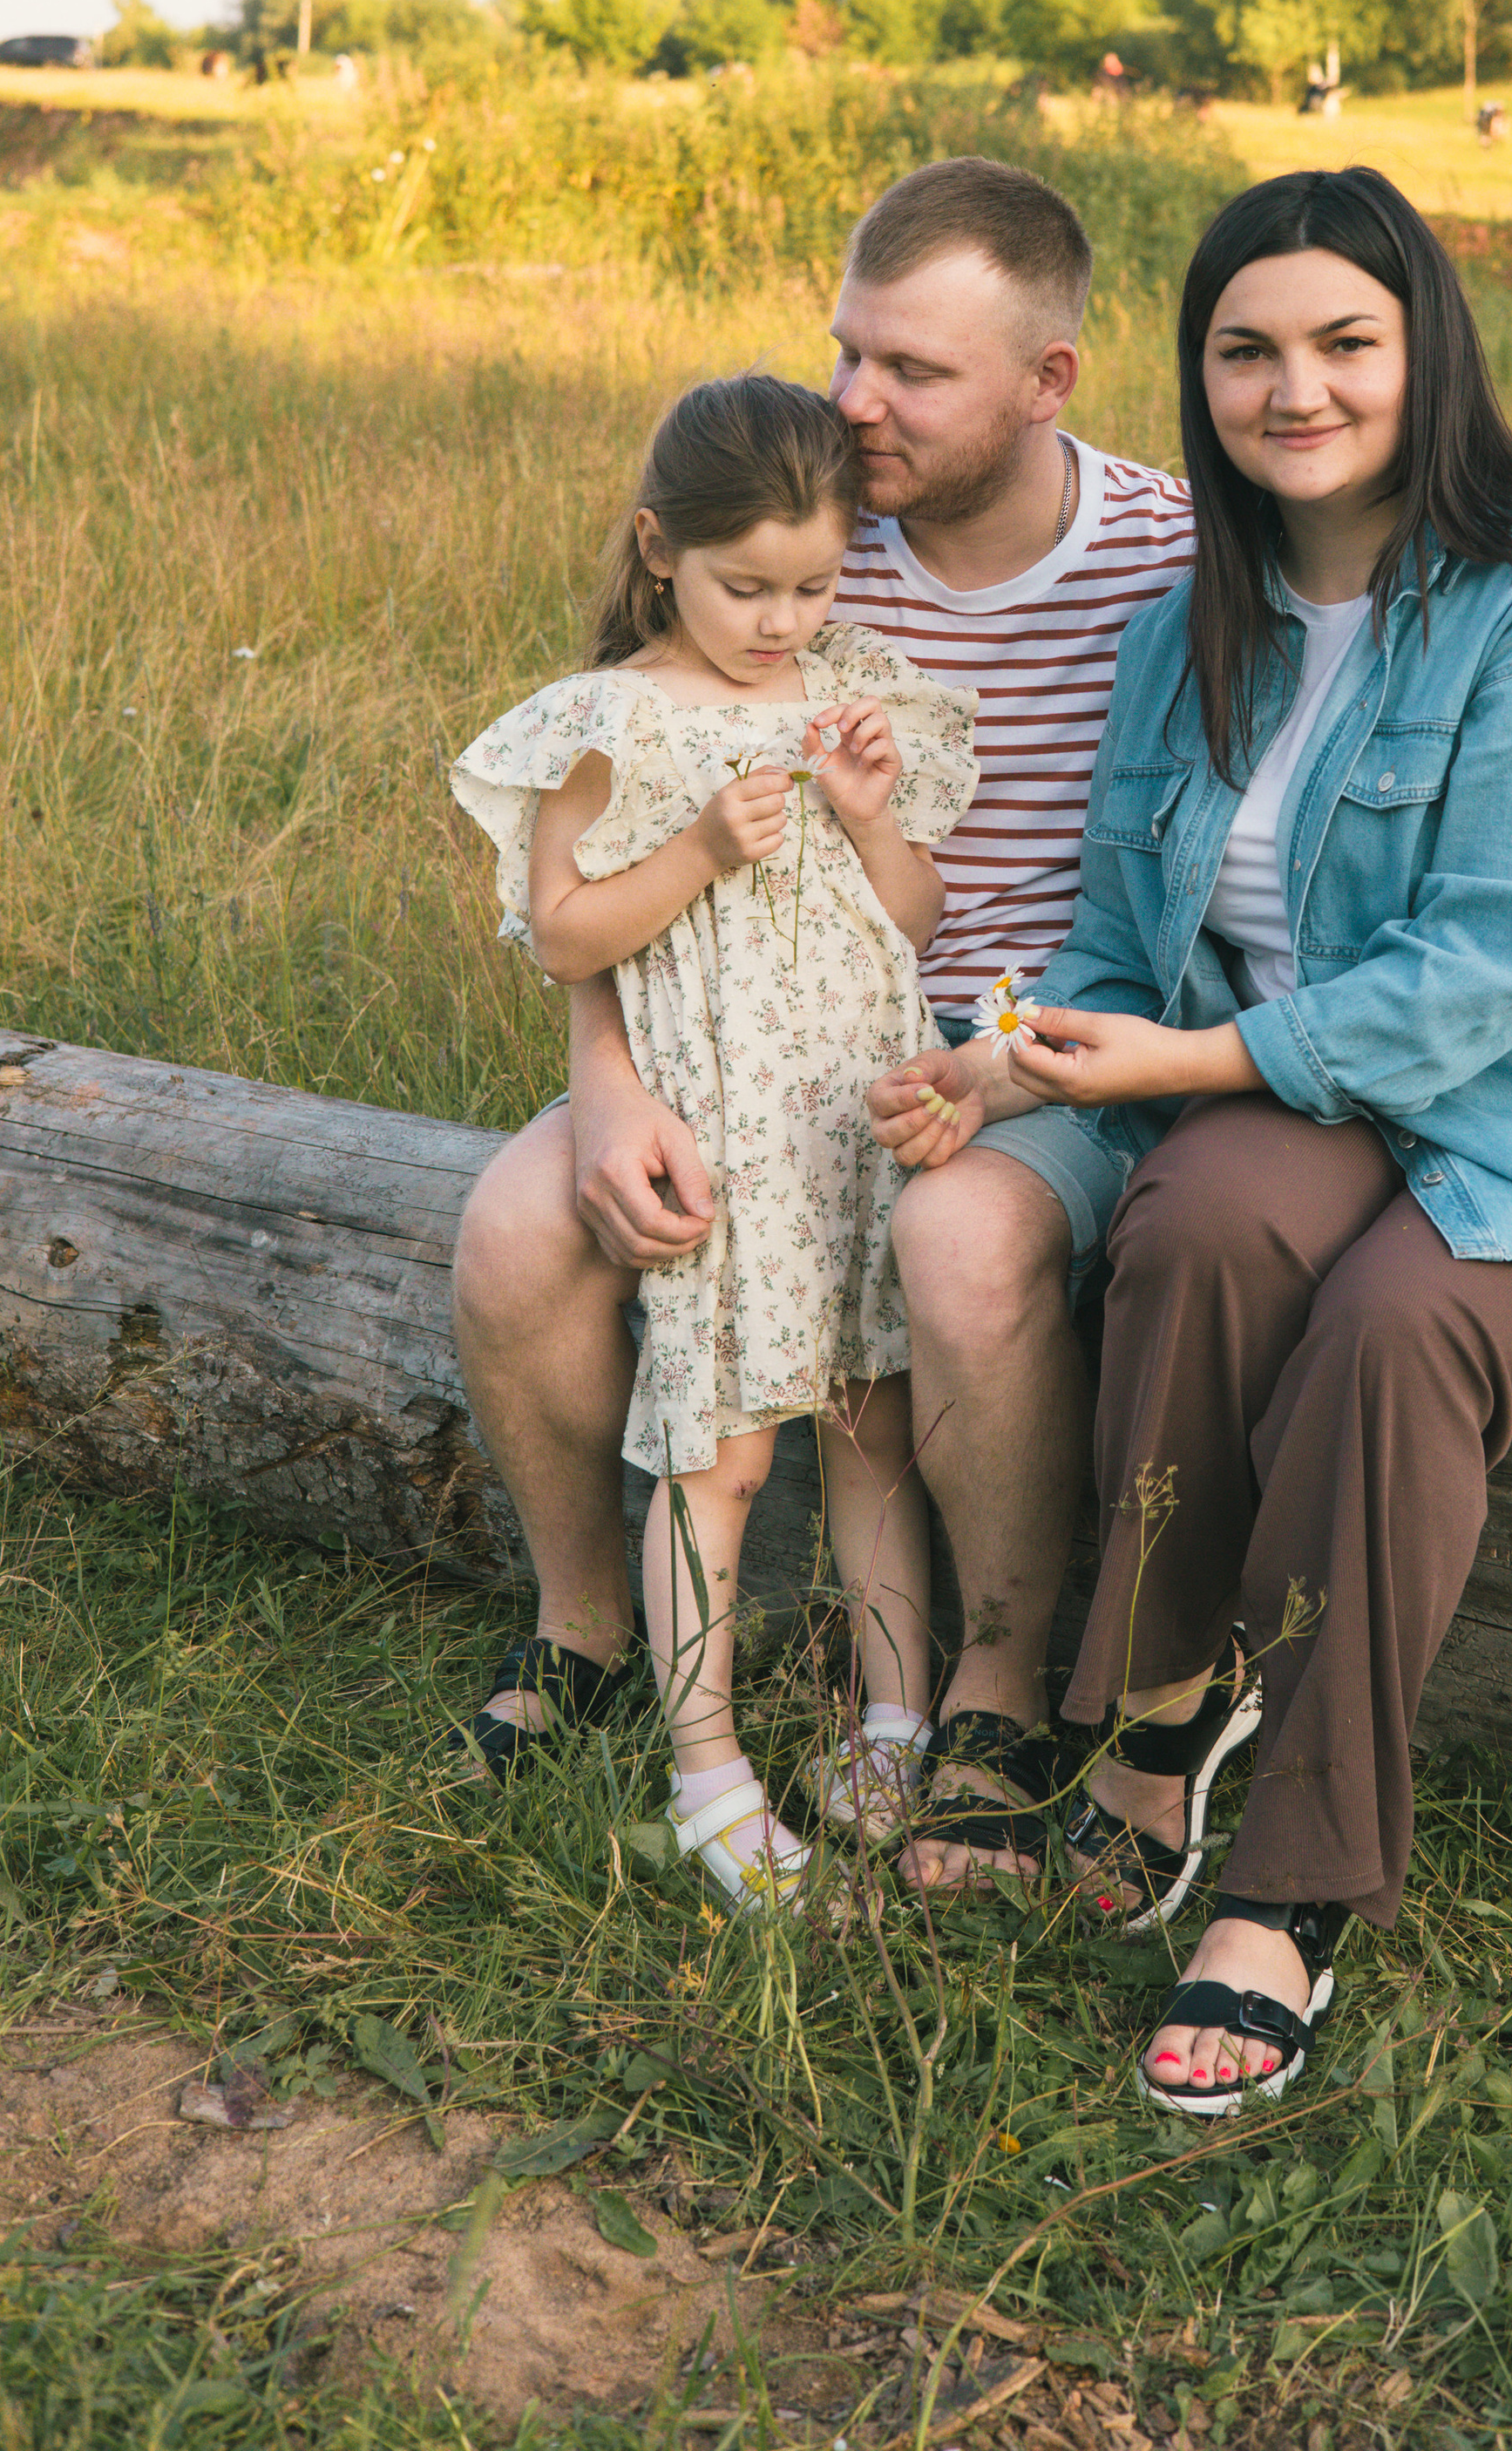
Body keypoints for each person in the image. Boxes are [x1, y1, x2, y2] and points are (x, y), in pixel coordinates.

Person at [447, 157, 1512, 1857]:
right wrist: (609, 1083)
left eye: (913, 372)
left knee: (957, 1243)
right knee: (512, 1225)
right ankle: (583, 1632)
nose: (856, 402)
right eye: (847, 350)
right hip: (743, 1017)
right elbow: (615, 834)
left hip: (1047, 1032)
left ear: (1044, 380)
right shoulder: (792, 548)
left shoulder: (1183, 555)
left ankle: (996, 1684)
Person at [869, 166, 1512, 2104]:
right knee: (1192, 1231)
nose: (1295, 389)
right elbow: (1122, 943)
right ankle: (1150, 1701)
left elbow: (1495, 970)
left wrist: (1184, 1069)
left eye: (1341, 343)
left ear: (1421, 349)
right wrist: (1003, 1053)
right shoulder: (1192, 621)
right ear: (1195, 376)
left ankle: (1288, 1890)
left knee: (1388, 1336)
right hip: (1311, 1102)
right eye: (1245, 350)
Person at [449, 374, 976, 1898]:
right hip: (721, 1136)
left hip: (859, 1118)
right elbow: (561, 935)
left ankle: (892, 1718)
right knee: (720, 1454)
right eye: (748, 587)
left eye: (814, 584)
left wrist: (871, 814)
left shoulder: (849, 686)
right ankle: (707, 1768)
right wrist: (696, 848)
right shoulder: (612, 720)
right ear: (659, 548)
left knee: (881, 1427)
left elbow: (916, 919)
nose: (782, 621)